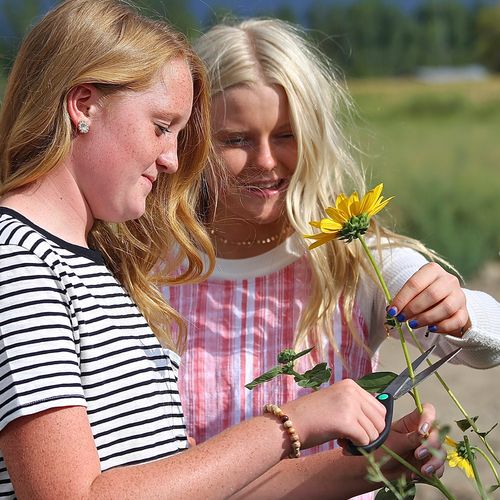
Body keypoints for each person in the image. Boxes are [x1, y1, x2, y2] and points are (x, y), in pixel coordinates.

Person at [0, 2, 447, 499]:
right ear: (83, 105)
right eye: (161, 126)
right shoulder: (20, 266)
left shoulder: (91, 265)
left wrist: (376, 466)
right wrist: (290, 423)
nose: (172, 160)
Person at [162, 18, 500, 498]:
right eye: (236, 139)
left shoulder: (350, 259)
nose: (265, 159)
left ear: (315, 135)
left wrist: (458, 310)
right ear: (192, 139)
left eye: (286, 135)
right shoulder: (154, 267)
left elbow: (489, 344)